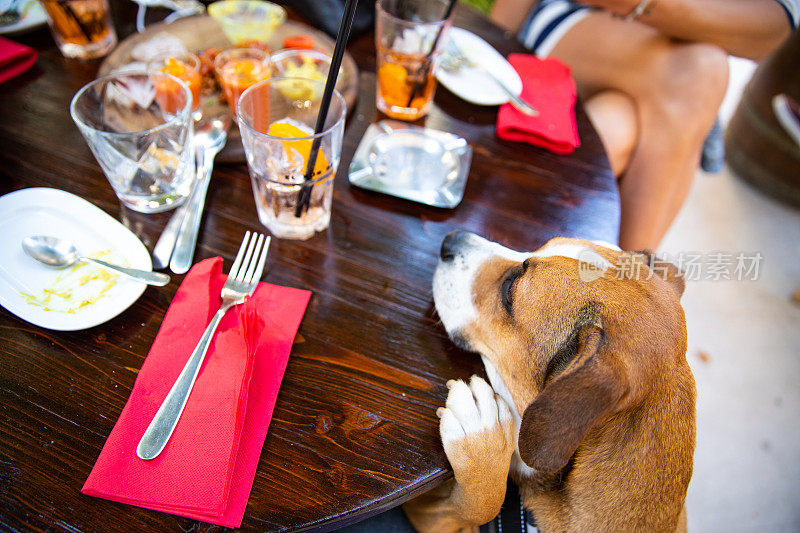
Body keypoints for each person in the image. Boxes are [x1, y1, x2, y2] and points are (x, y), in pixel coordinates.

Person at [490, 0, 797, 250]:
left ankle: (609, 286)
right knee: (699, 70)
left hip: (671, 70)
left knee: (615, 130)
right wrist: (487, 50)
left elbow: (777, 26)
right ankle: (631, 289)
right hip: (570, 24)